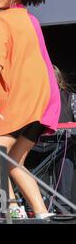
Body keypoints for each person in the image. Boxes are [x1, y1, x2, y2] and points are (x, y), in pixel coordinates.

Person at [0, 0, 61, 219]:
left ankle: (9, 209)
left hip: (19, 100)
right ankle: (39, 213)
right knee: (13, 162)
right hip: (43, 101)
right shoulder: (31, 21)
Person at [53, 65, 76, 213]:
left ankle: (64, 209)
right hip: (36, 145)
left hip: (63, 145)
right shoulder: (33, 99)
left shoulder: (70, 97)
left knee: (66, 159)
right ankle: (32, 207)